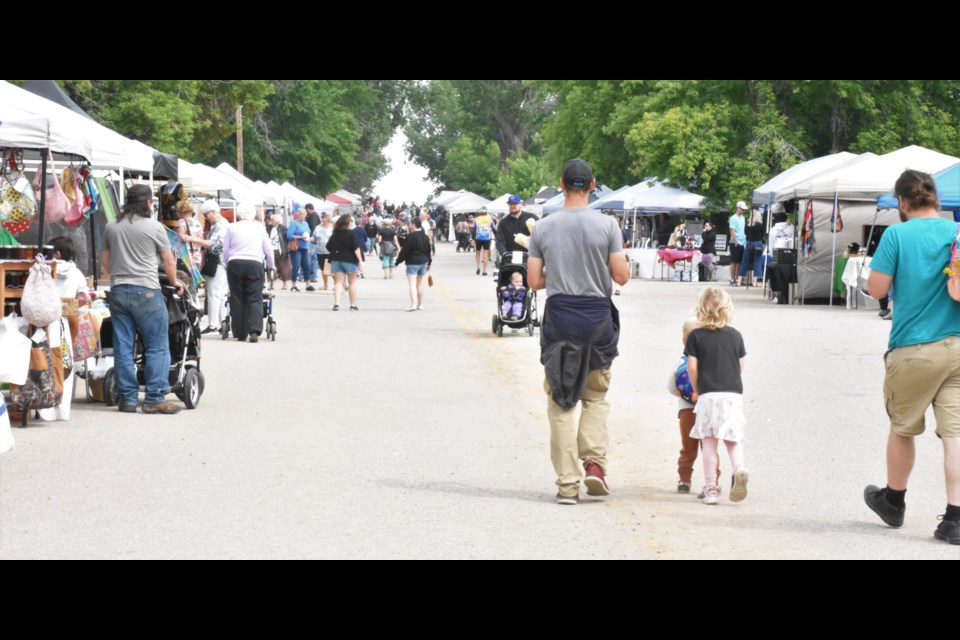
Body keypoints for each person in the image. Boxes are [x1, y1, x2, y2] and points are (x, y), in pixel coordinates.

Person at [864, 169, 960, 545]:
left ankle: (893, 501)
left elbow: (876, 290)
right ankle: (955, 518)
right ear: (934, 198)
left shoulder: (896, 235)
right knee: (955, 435)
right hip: (957, 347)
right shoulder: (956, 233)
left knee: (904, 427)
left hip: (913, 348)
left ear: (902, 202)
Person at [527, 158, 630, 505]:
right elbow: (621, 277)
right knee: (595, 397)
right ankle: (595, 466)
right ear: (591, 185)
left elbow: (534, 282)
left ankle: (567, 484)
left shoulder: (543, 227)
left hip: (561, 318)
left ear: (561, 183)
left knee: (560, 400)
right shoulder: (608, 225)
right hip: (597, 318)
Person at [100, 184, 184, 415]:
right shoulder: (155, 227)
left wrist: (118, 274)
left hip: (118, 291)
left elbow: (105, 260)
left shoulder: (111, 226)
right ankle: (154, 398)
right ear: (148, 202)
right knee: (157, 345)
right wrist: (176, 282)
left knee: (123, 346)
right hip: (147, 291)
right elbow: (168, 261)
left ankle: (127, 399)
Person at [685, 287, 749, 505]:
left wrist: (697, 388)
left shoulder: (696, 336)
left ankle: (711, 488)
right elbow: (740, 366)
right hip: (732, 394)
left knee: (709, 442)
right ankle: (739, 468)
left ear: (701, 309)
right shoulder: (736, 335)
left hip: (708, 394)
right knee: (733, 437)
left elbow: (692, 368)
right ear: (728, 309)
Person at [668, 318, 722, 494]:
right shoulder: (709, 361)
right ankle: (715, 481)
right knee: (710, 447)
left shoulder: (680, 362)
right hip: (707, 409)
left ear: (684, 340)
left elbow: (671, 387)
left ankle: (684, 480)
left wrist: (685, 396)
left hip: (686, 410)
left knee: (688, 447)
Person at [222, 202, 275, 343]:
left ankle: (240, 332)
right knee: (255, 297)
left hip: (235, 262)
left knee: (237, 297)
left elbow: (225, 249)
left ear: (238, 214)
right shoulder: (260, 228)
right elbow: (268, 249)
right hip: (254, 263)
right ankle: (254, 330)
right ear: (253, 215)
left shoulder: (231, 227)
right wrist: (271, 265)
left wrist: (226, 263)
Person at [199, 200, 229, 335]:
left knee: (214, 293)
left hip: (218, 263)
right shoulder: (218, 225)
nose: (206, 217)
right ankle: (223, 322)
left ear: (212, 212)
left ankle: (213, 324)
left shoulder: (220, 226)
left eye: (206, 214)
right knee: (220, 294)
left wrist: (194, 240)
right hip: (220, 263)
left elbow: (214, 244)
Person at [325, 213, 363, 310]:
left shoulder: (335, 234)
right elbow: (356, 248)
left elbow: (328, 246)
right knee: (352, 283)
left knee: (338, 282)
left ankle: (336, 303)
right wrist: (360, 260)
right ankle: (352, 304)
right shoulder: (352, 233)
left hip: (336, 259)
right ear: (348, 223)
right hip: (350, 260)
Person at [395, 217, 432, 311]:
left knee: (412, 284)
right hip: (423, 262)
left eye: (410, 224)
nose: (409, 226)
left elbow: (405, 251)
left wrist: (397, 262)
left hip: (413, 262)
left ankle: (413, 304)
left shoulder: (411, 236)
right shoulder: (425, 236)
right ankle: (420, 305)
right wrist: (429, 263)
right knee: (419, 284)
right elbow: (429, 250)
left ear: (414, 225)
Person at [737, 209, 765, 287]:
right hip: (758, 243)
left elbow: (745, 233)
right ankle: (754, 282)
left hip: (749, 243)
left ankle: (739, 281)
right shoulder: (759, 225)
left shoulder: (747, 224)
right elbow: (762, 234)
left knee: (744, 261)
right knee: (757, 262)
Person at [286, 205, 311, 291]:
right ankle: (293, 284)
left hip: (305, 247)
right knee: (296, 265)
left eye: (305, 214)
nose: (304, 216)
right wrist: (300, 237)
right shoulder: (294, 223)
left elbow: (308, 233)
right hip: (296, 248)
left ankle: (308, 284)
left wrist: (308, 247)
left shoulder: (306, 223)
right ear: (298, 214)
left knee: (307, 265)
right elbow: (289, 235)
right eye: (302, 214)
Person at [174, 200, 204, 269]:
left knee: (183, 279)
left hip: (184, 258)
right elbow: (201, 240)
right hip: (196, 258)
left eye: (176, 210)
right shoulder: (197, 223)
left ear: (181, 211)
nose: (175, 213)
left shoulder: (181, 222)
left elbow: (180, 240)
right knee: (194, 279)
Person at [266, 213, 292, 290]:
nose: (271, 221)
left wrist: (288, 250)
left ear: (277, 220)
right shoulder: (269, 228)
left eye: (272, 220)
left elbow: (287, 240)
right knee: (271, 267)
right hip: (271, 250)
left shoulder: (283, 228)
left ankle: (284, 283)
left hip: (281, 250)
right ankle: (271, 283)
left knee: (284, 267)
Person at [728, 201, 747, 285]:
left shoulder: (742, 218)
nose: (743, 211)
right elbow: (732, 230)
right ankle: (732, 278)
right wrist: (735, 241)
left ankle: (737, 278)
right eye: (742, 209)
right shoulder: (733, 218)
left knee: (739, 261)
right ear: (738, 208)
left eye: (744, 209)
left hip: (742, 241)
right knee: (734, 261)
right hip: (735, 242)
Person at [474, 208, 495, 276]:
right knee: (485, 253)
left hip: (478, 238)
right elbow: (493, 228)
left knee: (477, 253)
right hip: (487, 238)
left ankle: (478, 267)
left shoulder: (476, 219)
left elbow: (474, 229)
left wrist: (472, 239)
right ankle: (484, 271)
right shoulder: (490, 219)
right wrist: (497, 236)